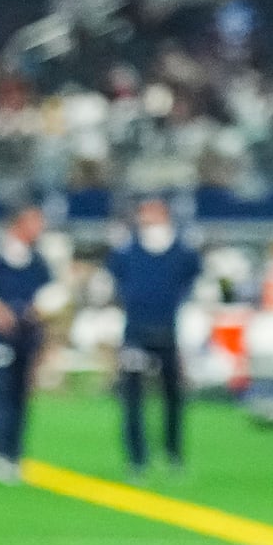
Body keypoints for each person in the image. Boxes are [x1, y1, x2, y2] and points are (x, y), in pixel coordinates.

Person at [0, 203, 63, 484]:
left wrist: (39, 309)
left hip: (27, 336)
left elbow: (52, 293)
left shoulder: (38, 261)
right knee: (1, 394)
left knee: (21, 397)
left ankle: (14, 455)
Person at [105, 196, 201, 473]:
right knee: (132, 397)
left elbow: (191, 285)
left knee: (173, 397)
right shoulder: (127, 252)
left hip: (169, 332)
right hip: (136, 331)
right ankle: (137, 457)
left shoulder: (182, 252)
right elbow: (118, 286)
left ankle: (173, 453)